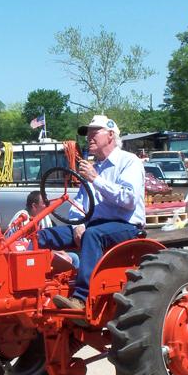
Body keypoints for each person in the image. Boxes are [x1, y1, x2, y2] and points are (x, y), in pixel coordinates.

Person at [36, 115, 145, 311]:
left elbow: (129, 200)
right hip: (92, 225)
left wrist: (96, 179)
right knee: (42, 236)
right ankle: (33, 290)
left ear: (111, 135)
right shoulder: (93, 167)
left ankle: (81, 298)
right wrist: (78, 224)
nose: (89, 137)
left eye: (94, 132)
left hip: (125, 226)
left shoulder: (129, 162)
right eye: (88, 133)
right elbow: (78, 203)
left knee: (92, 235)